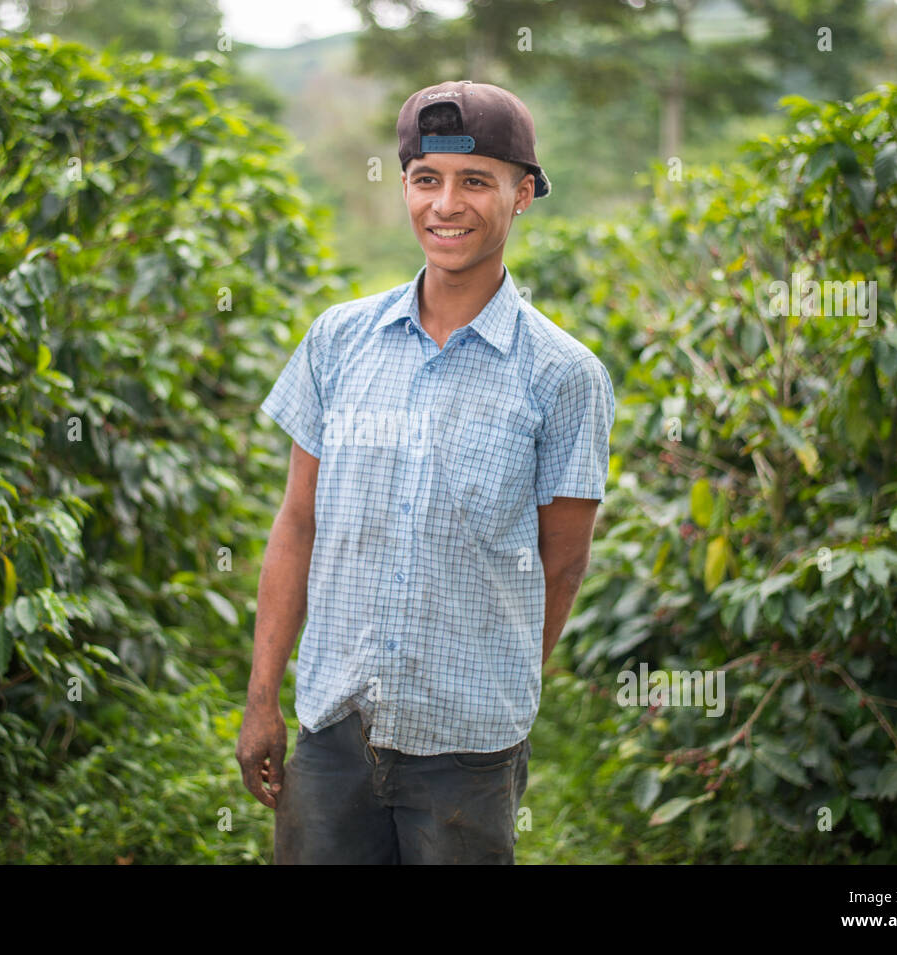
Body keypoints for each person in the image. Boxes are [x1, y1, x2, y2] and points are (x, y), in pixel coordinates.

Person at [236, 79, 615, 864]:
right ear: (406, 186)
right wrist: (262, 697)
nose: (447, 204)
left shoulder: (564, 376)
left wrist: (498, 690)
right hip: (333, 734)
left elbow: (562, 561)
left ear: (524, 195)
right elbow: (298, 522)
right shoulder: (339, 340)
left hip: (468, 755)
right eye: (426, 178)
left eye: (476, 180)